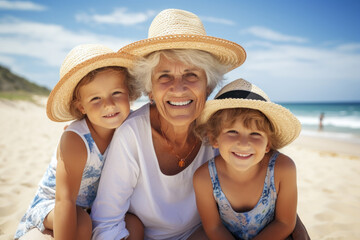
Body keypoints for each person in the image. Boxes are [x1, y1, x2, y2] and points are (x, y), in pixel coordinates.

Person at [90, 8, 246, 240]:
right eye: (164, 76)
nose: (178, 87)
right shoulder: (132, 134)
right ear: (150, 90)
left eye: (191, 74)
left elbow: (263, 179)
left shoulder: (223, 132)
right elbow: (106, 223)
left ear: (209, 86)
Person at [14, 44, 142, 240]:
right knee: (80, 221)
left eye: (117, 93)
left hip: (93, 209)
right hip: (53, 206)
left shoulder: (131, 125)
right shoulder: (76, 139)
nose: (109, 104)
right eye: (96, 98)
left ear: (130, 94)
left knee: (134, 224)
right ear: (81, 106)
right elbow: (64, 200)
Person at [193, 78, 301, 239]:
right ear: (214, 138)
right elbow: (214, 227)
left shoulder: (283, 169)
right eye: (232, 132)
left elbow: (284, 223)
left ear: (268, 144)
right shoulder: (204, 178)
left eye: (255, 134)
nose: (244, 144)